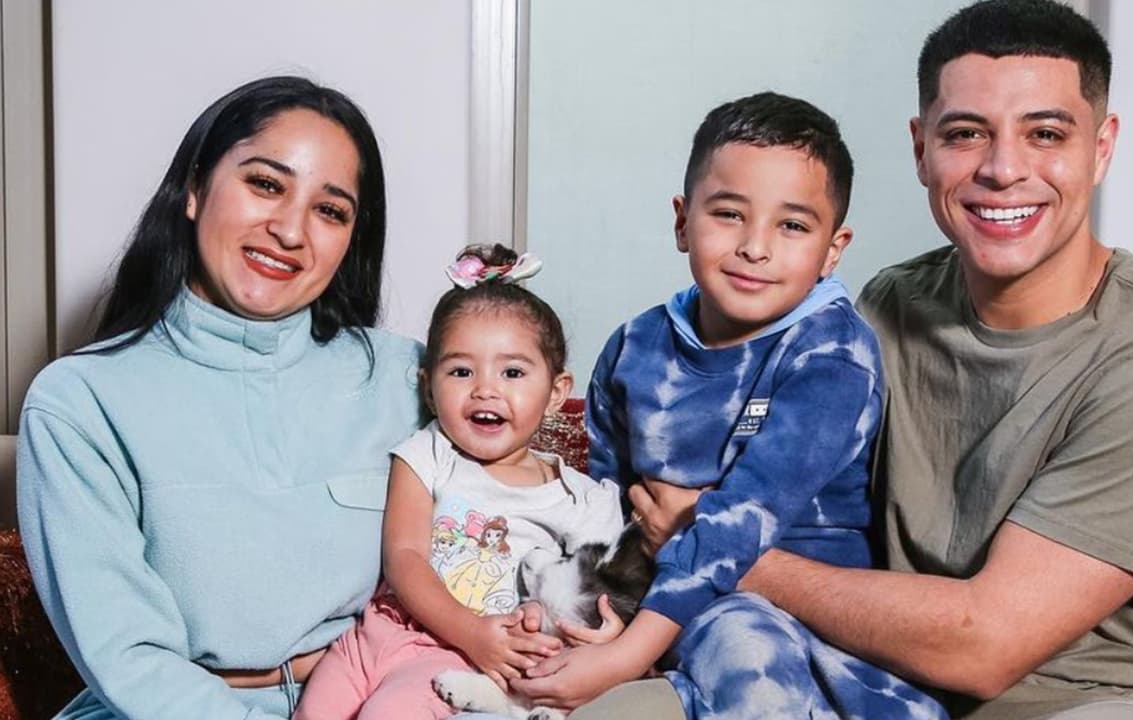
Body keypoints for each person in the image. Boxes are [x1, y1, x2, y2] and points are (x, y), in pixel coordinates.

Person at [594, 1, 1133, 719]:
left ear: (1100, 149)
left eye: (1045, 134)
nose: (1004, 169)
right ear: (921, 149)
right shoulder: (886, 309)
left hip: (1096, 701)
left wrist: (706, 542)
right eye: (966, 134)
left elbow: (987, 646)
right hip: (871, 676)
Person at [512, 92, 947, 720]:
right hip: (663, 607)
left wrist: (627, 656)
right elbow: (607, 510)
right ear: (682, 221)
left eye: (792, 226)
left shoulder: (832, 355)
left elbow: (740, 521)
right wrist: (604, 620)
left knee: (748, 651)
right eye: (729, 214)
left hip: (803, 610)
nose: (755, 247)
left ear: (833, 249)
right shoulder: (635, 346)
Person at [17, 76, 425, 719]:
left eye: (330, 210)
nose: (290, 230)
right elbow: (129, 657)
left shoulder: (409, 378)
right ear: (194, 188)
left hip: (377, 696)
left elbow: (508, 536)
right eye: (266, 184)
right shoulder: (79, 402)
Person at [294, 244, 624, 720]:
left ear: (556, 392)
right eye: (461, 371)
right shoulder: (427, 453)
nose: (485, 389)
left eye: (512, 372)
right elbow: (404, 556)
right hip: (377, 634)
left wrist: (609, 637)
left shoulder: (581, 500)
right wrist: (468, 627)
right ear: (429, 388)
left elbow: (606, 597)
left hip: (461, 658)